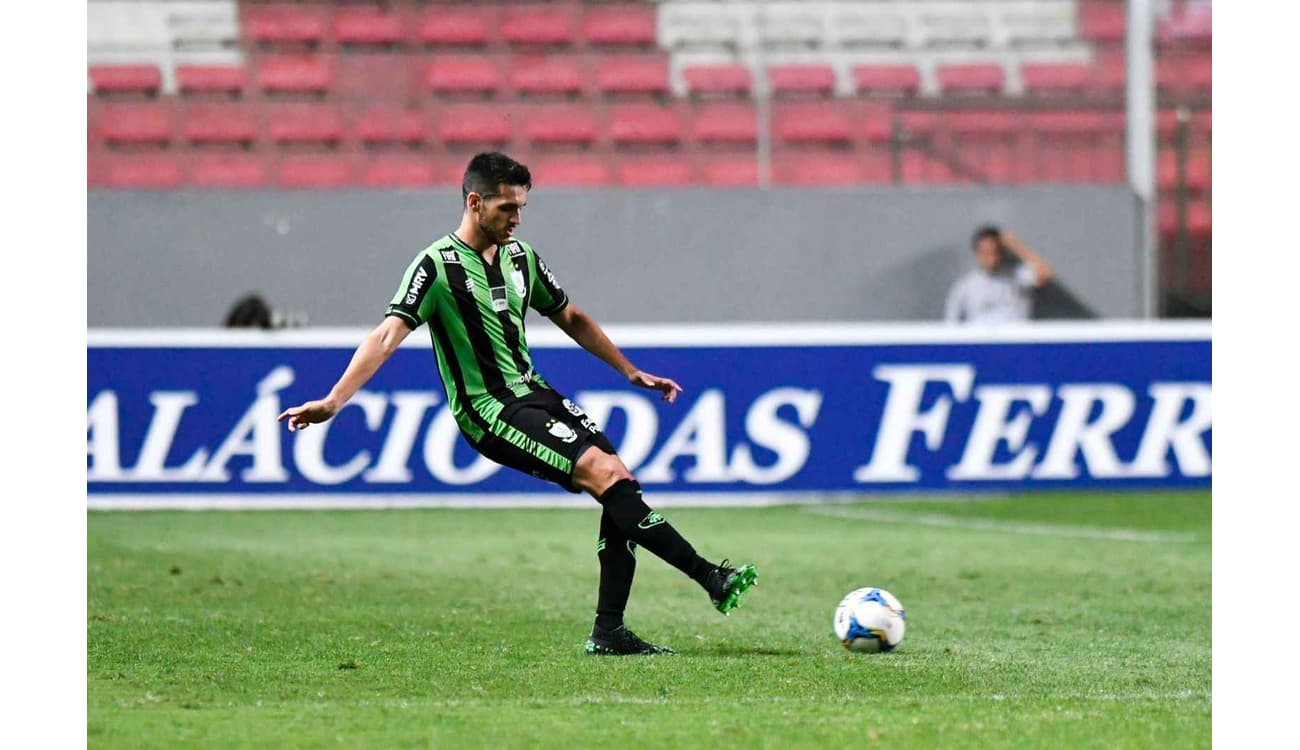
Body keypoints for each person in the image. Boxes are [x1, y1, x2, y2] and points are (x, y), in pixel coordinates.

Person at [277, 152, 758, 656]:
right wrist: (334, 400)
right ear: (474, 202)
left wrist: (628, 370)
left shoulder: (521, 257)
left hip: (535, 392)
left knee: (619, 483)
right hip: (489, 410)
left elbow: (570, 316)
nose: (517, 218)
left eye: (522, 207)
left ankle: (610, 631)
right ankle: (708, 576)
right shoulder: (435, 267)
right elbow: (387, 335)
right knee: (606, 475)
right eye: (507, 208)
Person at [943, 225, 1055, 323]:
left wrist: (1017, 247)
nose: (991, 258)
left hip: (1015, 342)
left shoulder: (1017, 276)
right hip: (981, 344)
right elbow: (951, 323)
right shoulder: (965, 286)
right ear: (977, 253)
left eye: (994, 252)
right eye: (985, 252)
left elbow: (1046, 274)